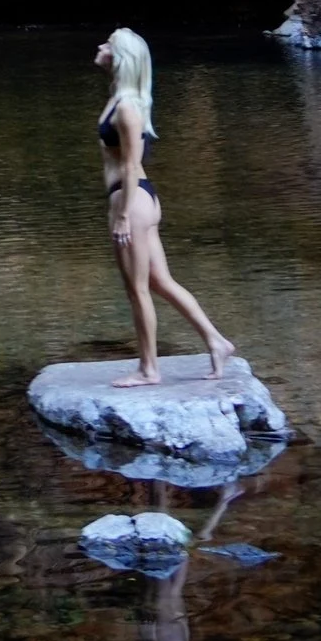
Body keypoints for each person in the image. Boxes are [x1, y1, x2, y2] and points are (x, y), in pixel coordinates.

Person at [95, 27, 234, 387]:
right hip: (138, 199)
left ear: (121, 57)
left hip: (132, 202)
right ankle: (217, 342)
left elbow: (128, 164)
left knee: (137, 290)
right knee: (161, 282)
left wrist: (122, 215)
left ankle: (149, 369)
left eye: (108, 44)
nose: (100, 46)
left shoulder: (127, 108)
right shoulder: (120, 97)